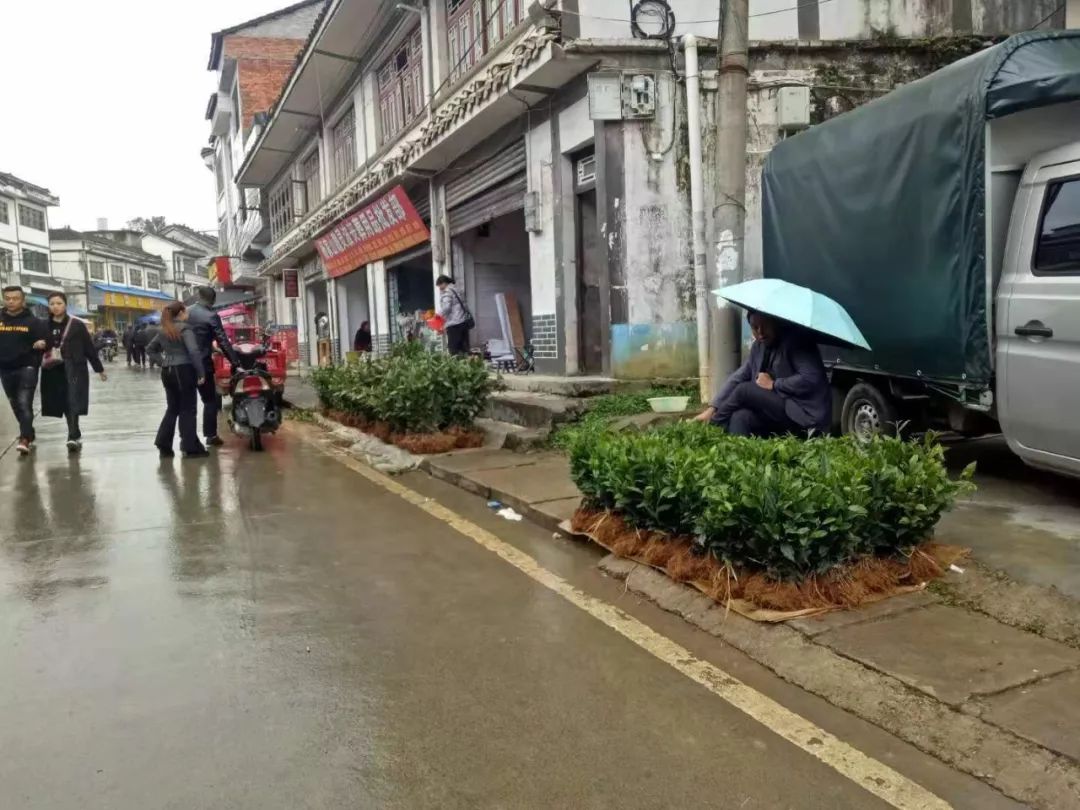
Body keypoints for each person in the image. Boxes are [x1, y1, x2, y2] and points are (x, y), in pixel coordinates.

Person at [695, 311, 832, 437]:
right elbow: (738, 377)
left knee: (745, 390)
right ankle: (735, 456)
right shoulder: (758, 347)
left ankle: (711, 428)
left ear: (775, 322)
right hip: (778, 413)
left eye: (765, 326)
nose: (760, 333)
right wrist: (712, 408)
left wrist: (774, 384)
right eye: (755, 328)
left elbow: (810, 378)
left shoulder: (797, 341)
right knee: (740, 417)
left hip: (802, 415)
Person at [40, 293, 107, 453]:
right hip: (52, 369)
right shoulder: (43, 326)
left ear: (65, 305)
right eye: (52, 304)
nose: (55, 306)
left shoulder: (76, 325)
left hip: (74, 368)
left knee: (72, 400)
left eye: (59, 303)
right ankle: (74, 432)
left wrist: (99, 369)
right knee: (60, 402)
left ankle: (72, 435)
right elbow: (34, 348)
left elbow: (89, 348)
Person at [146, 301, 207, 458]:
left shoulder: (163, 329)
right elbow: (193, 351)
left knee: (172, 408)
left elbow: (150, 349)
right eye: (186, 312)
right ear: (181, 313)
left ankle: (163, 443)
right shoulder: (185, 329)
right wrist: (201, 372)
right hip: (184, 370)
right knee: (188, 408)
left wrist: (163, 362)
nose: (187, 315)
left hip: (168, 371)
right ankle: (189, 447)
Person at [186, 286, 238, 446]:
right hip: (203, 365)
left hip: (184, 364)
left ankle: (188, 440)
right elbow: (223, 340)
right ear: (213, 300)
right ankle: (210, 435)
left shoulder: (185, 312)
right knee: (209, 401)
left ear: (198, 296)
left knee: (187, 405)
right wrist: (235, 362)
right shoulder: (211, 315)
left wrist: (210, 347)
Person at [0, 286, 48, 455]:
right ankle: (30, 432)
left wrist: (42, 344)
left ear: (23, 300)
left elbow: (46, 341)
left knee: (24, 403)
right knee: (14, 405)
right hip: (5, 368)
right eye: (7, 298)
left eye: (15, 298)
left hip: (27, 366)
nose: (11, 301)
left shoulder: (34, 322)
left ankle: (24, 439)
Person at [435, 275, 472, 356]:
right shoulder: (457, 290)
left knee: (453, 349)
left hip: (454, 324)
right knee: (464, 348)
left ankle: (457, 367)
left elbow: (446, 307)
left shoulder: (447, 292)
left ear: (444, 283)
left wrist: (437, 315)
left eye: (440, 286)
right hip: (463, 321)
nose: (440, 288)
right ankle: (468, 365)